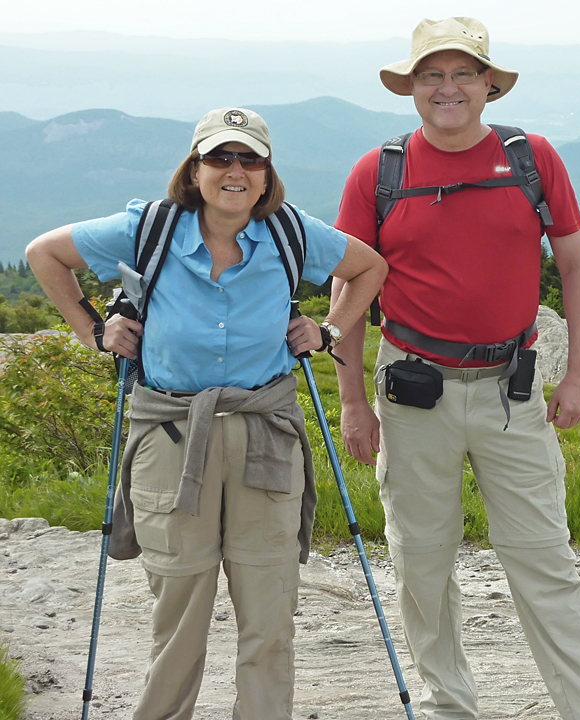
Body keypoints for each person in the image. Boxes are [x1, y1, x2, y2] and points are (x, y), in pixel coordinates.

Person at [26, 107, 387, 720]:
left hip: (263, 429)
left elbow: (369, 268)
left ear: (267, 174)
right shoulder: (150, 226)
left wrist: (326, 330)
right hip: (171, 433)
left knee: (269, 615)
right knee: (179, 616)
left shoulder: (290, 232)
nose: (235, 171)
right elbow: (44, 254)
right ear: (194, 170)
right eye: (220, 157)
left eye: (250, 159)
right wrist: (93, 331)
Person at [329, 17, 580, 720]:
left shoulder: (532, 158)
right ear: (411, 88)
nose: (448, 88)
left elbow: (577, 265)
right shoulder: (379, 172)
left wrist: (579, 372)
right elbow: (347, 290)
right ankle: (447, 708)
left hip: (511, 390)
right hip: (410, 393)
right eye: (432, 75)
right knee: (422, 568)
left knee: (544, 563)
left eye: (463, 73)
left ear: (490, 84)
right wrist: (352, 401)